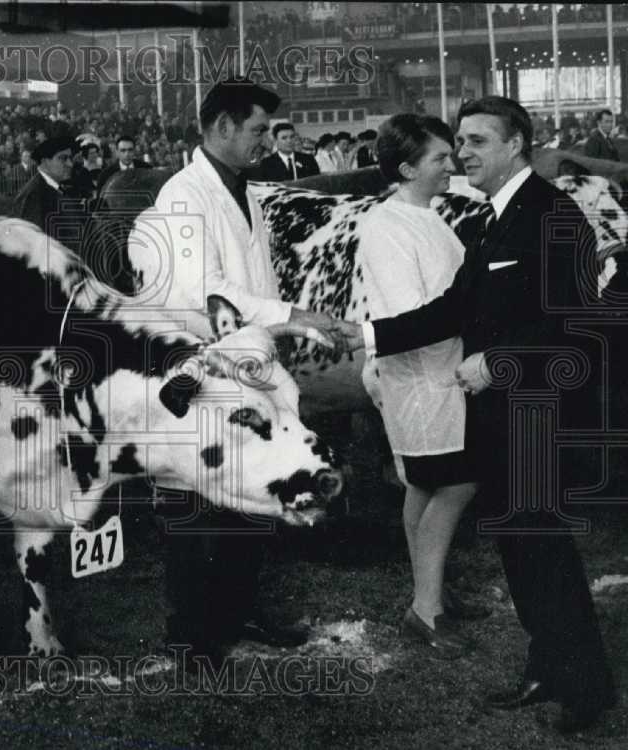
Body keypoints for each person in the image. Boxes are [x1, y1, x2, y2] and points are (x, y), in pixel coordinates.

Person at [339, 96, 617, 734]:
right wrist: (369, 336)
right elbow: (451, 310)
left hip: (537, 411)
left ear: (516, 144)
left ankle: (586, 689)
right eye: (458, 142)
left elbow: (573, 320)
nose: (462, 153)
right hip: (501, 417)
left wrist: (500, 363)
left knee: (544, 551)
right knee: (520, 551)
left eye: (476, 142)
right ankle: (546, 663)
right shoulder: (494, 220)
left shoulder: (552, 215)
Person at [127, 78, 346, 667]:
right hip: (195, 374)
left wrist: (277, 336)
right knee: (194, 507)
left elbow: (256, 284)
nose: (264, 141)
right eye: (255, 130)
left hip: (245, 365)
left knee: (250, 500)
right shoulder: (183, 195)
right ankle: (191, 636)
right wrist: (292, 316)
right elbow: (205, 293)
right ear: (221, 127)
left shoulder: (242, 191)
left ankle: (237, 612)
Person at [360, 114, 485, 660]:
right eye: (439, 158)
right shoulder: (386, 225)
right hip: (419, 374)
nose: (450, 164)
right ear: (407, 168)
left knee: (425, 486)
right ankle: (425, 609)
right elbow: (411, 313)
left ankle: (431, 592)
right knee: (457, 483)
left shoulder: (427, 215)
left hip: (442, 369)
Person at [13, 135, 86, 253]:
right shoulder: (34, 194)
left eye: (70, 158)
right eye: (63, 158)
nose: (70, 164)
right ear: (45, 162)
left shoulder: (58, 188)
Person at [253, 122, 318, 181]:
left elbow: (318, 183)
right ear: (275, 140)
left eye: (292, 137)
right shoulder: (266, 164)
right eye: (284, 138)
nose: (289, 141)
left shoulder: (309, 160)